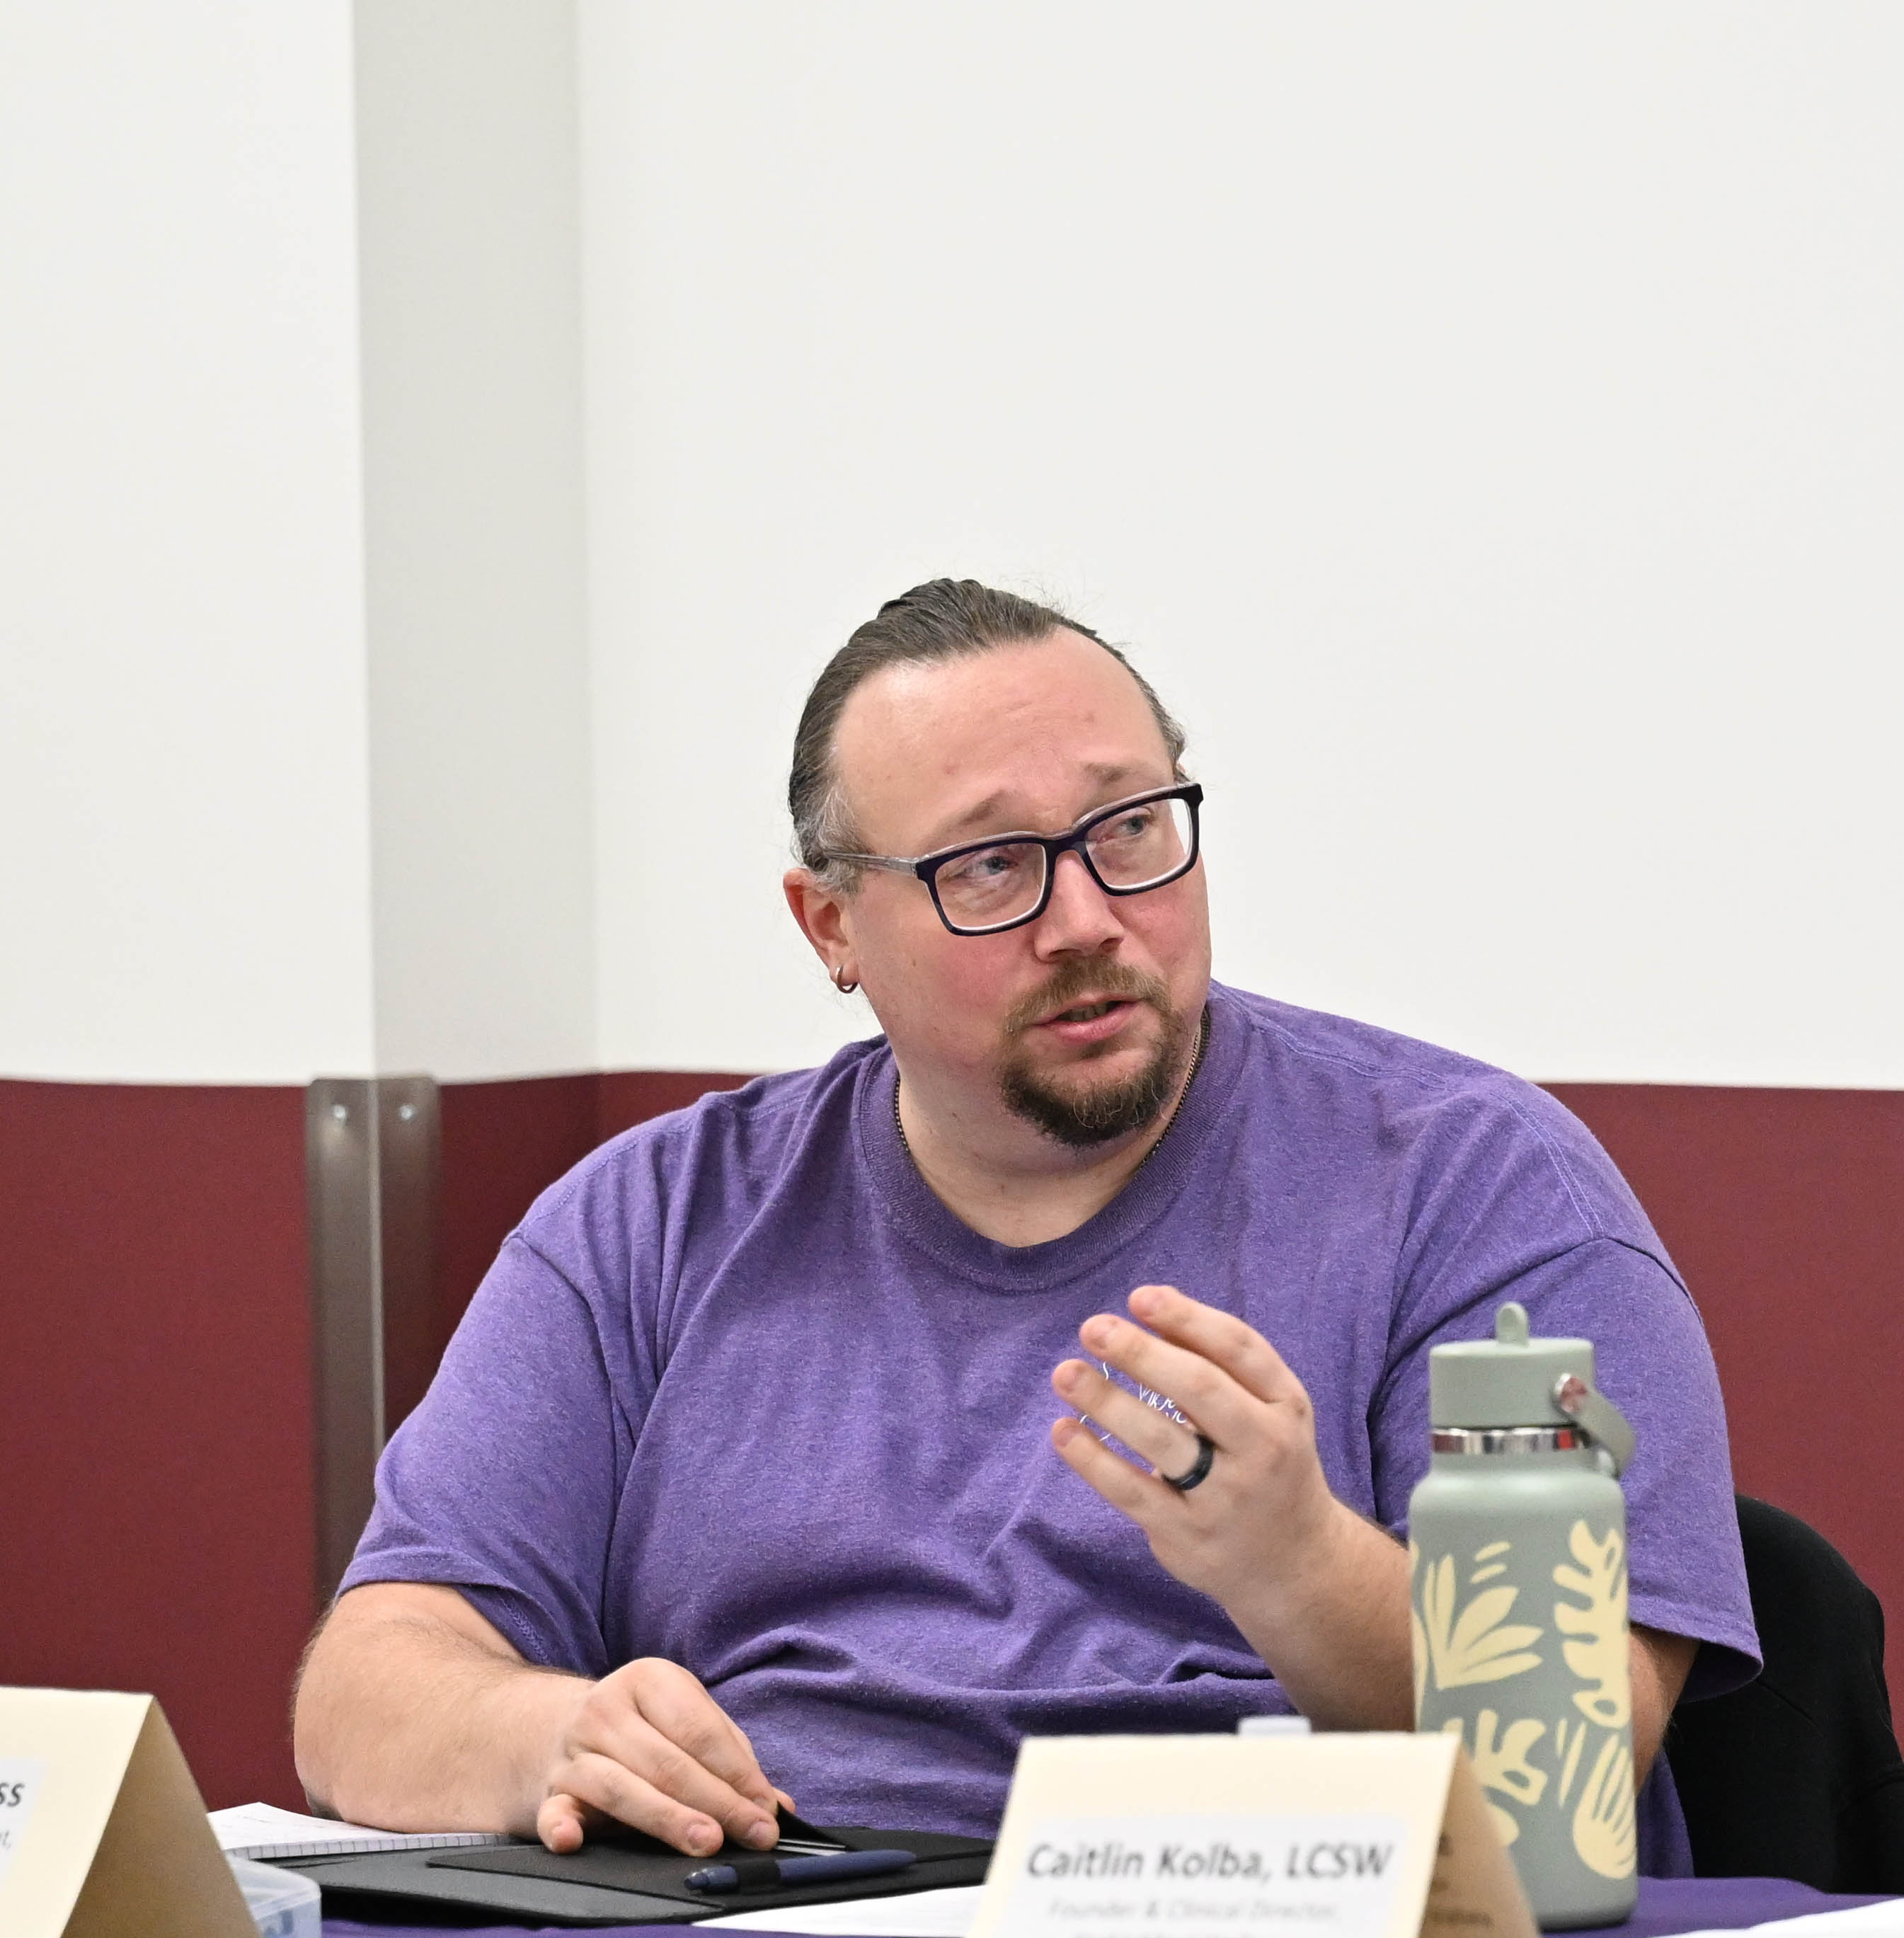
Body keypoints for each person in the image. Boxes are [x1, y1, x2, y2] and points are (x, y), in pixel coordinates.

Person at [292, 580, 1755, 1863]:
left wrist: (1296, 1559)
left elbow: (1583, 1750)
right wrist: (546, 1733)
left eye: (1130, 831)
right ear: (831, 929)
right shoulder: (651, 1226)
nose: (1087, 919)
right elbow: (367, 1687)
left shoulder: (1472, 1186)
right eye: (990, 866)